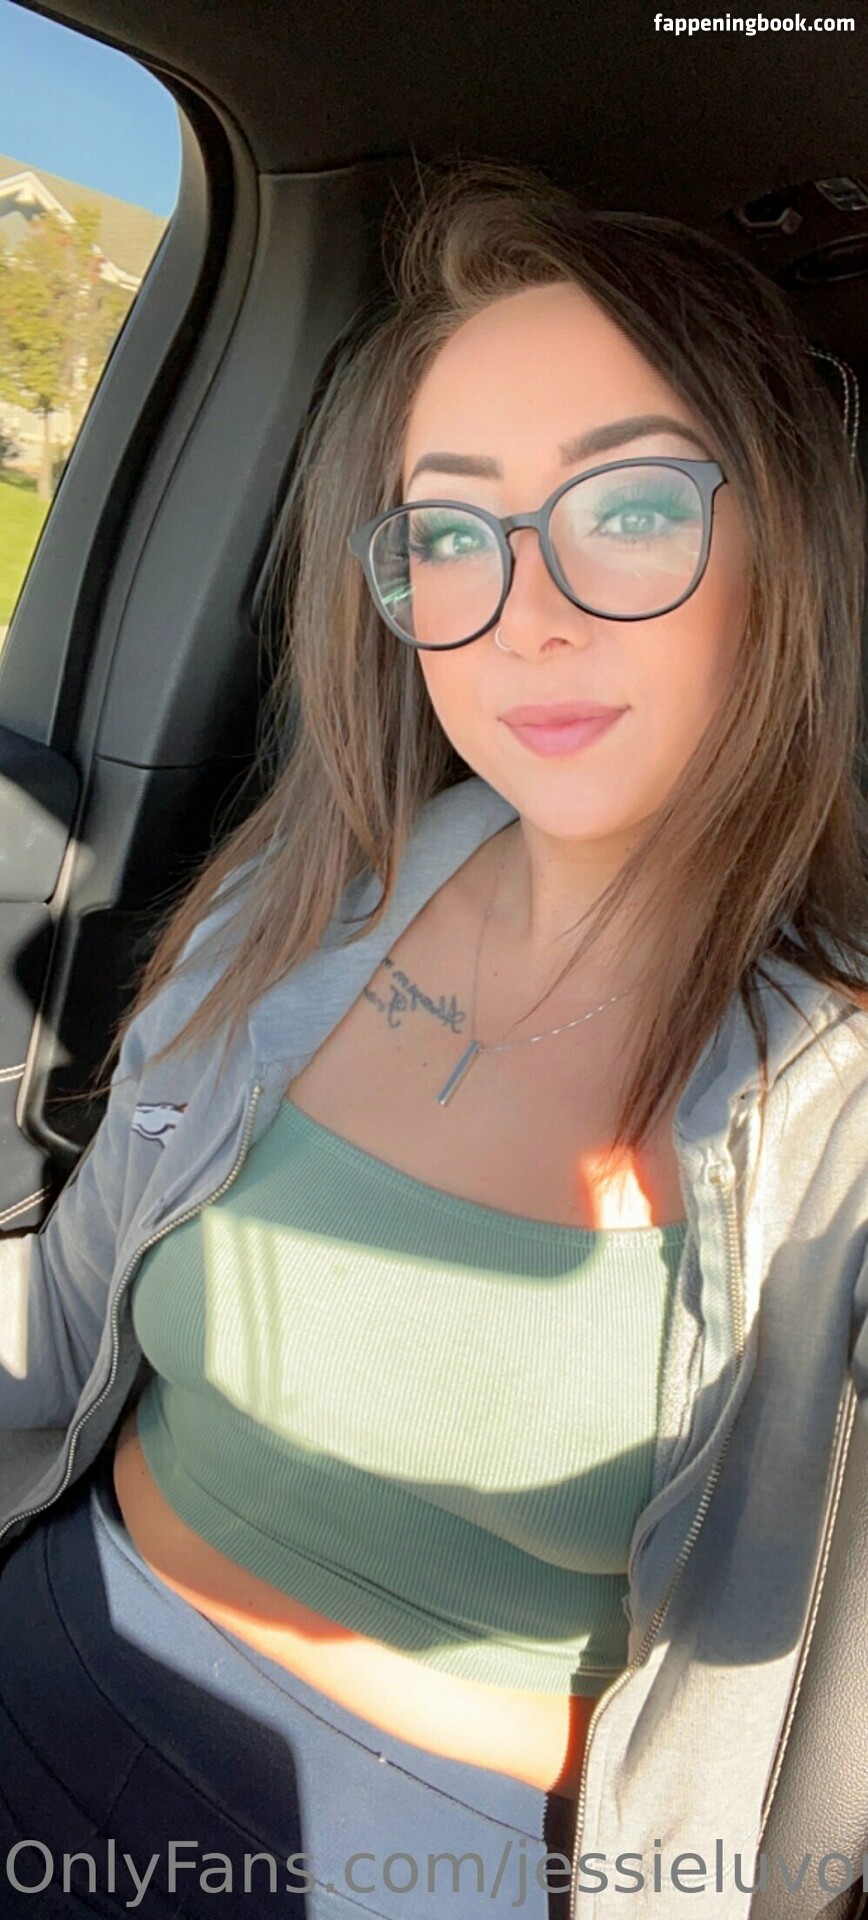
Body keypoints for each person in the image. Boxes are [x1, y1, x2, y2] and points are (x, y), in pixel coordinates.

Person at [1, 157, 867, 1920]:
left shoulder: (838, 1102)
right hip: (48, 1618)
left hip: (397, 1851)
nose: (524, 611)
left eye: (630, 506)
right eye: (453, 532)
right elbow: (63, 1322)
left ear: (784, 544)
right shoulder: (304, 894)